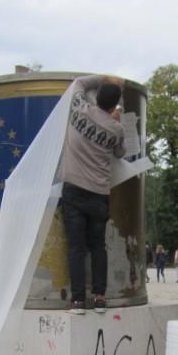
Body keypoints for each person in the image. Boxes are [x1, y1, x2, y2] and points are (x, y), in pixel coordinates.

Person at [60, 74, 125, 315]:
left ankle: (77, 301)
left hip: (73, 190)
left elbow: (78, 83)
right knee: (98, 246)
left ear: (96, 97)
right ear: (114, 105)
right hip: (99, 193)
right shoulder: (116, 128)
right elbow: (120, 153)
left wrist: (104, 78)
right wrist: (115, 119)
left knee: (76, 247)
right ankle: (99, 298)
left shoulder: (78, 108)